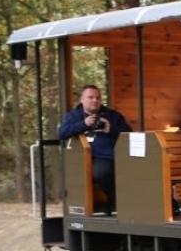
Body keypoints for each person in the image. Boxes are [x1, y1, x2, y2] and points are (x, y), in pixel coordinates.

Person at [56, 85, 131, 214]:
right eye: (90, 97)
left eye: (98, 98)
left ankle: (116, 204)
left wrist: (110, 129)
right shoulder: (74, 116)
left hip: (106, 157)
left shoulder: (112, 116)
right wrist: (83, 124)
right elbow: (61, 133)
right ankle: (108, 205)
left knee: (102, 171)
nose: (95, 100)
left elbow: (129, 134)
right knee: (80, 175)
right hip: (80, 159)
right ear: (82, 100)